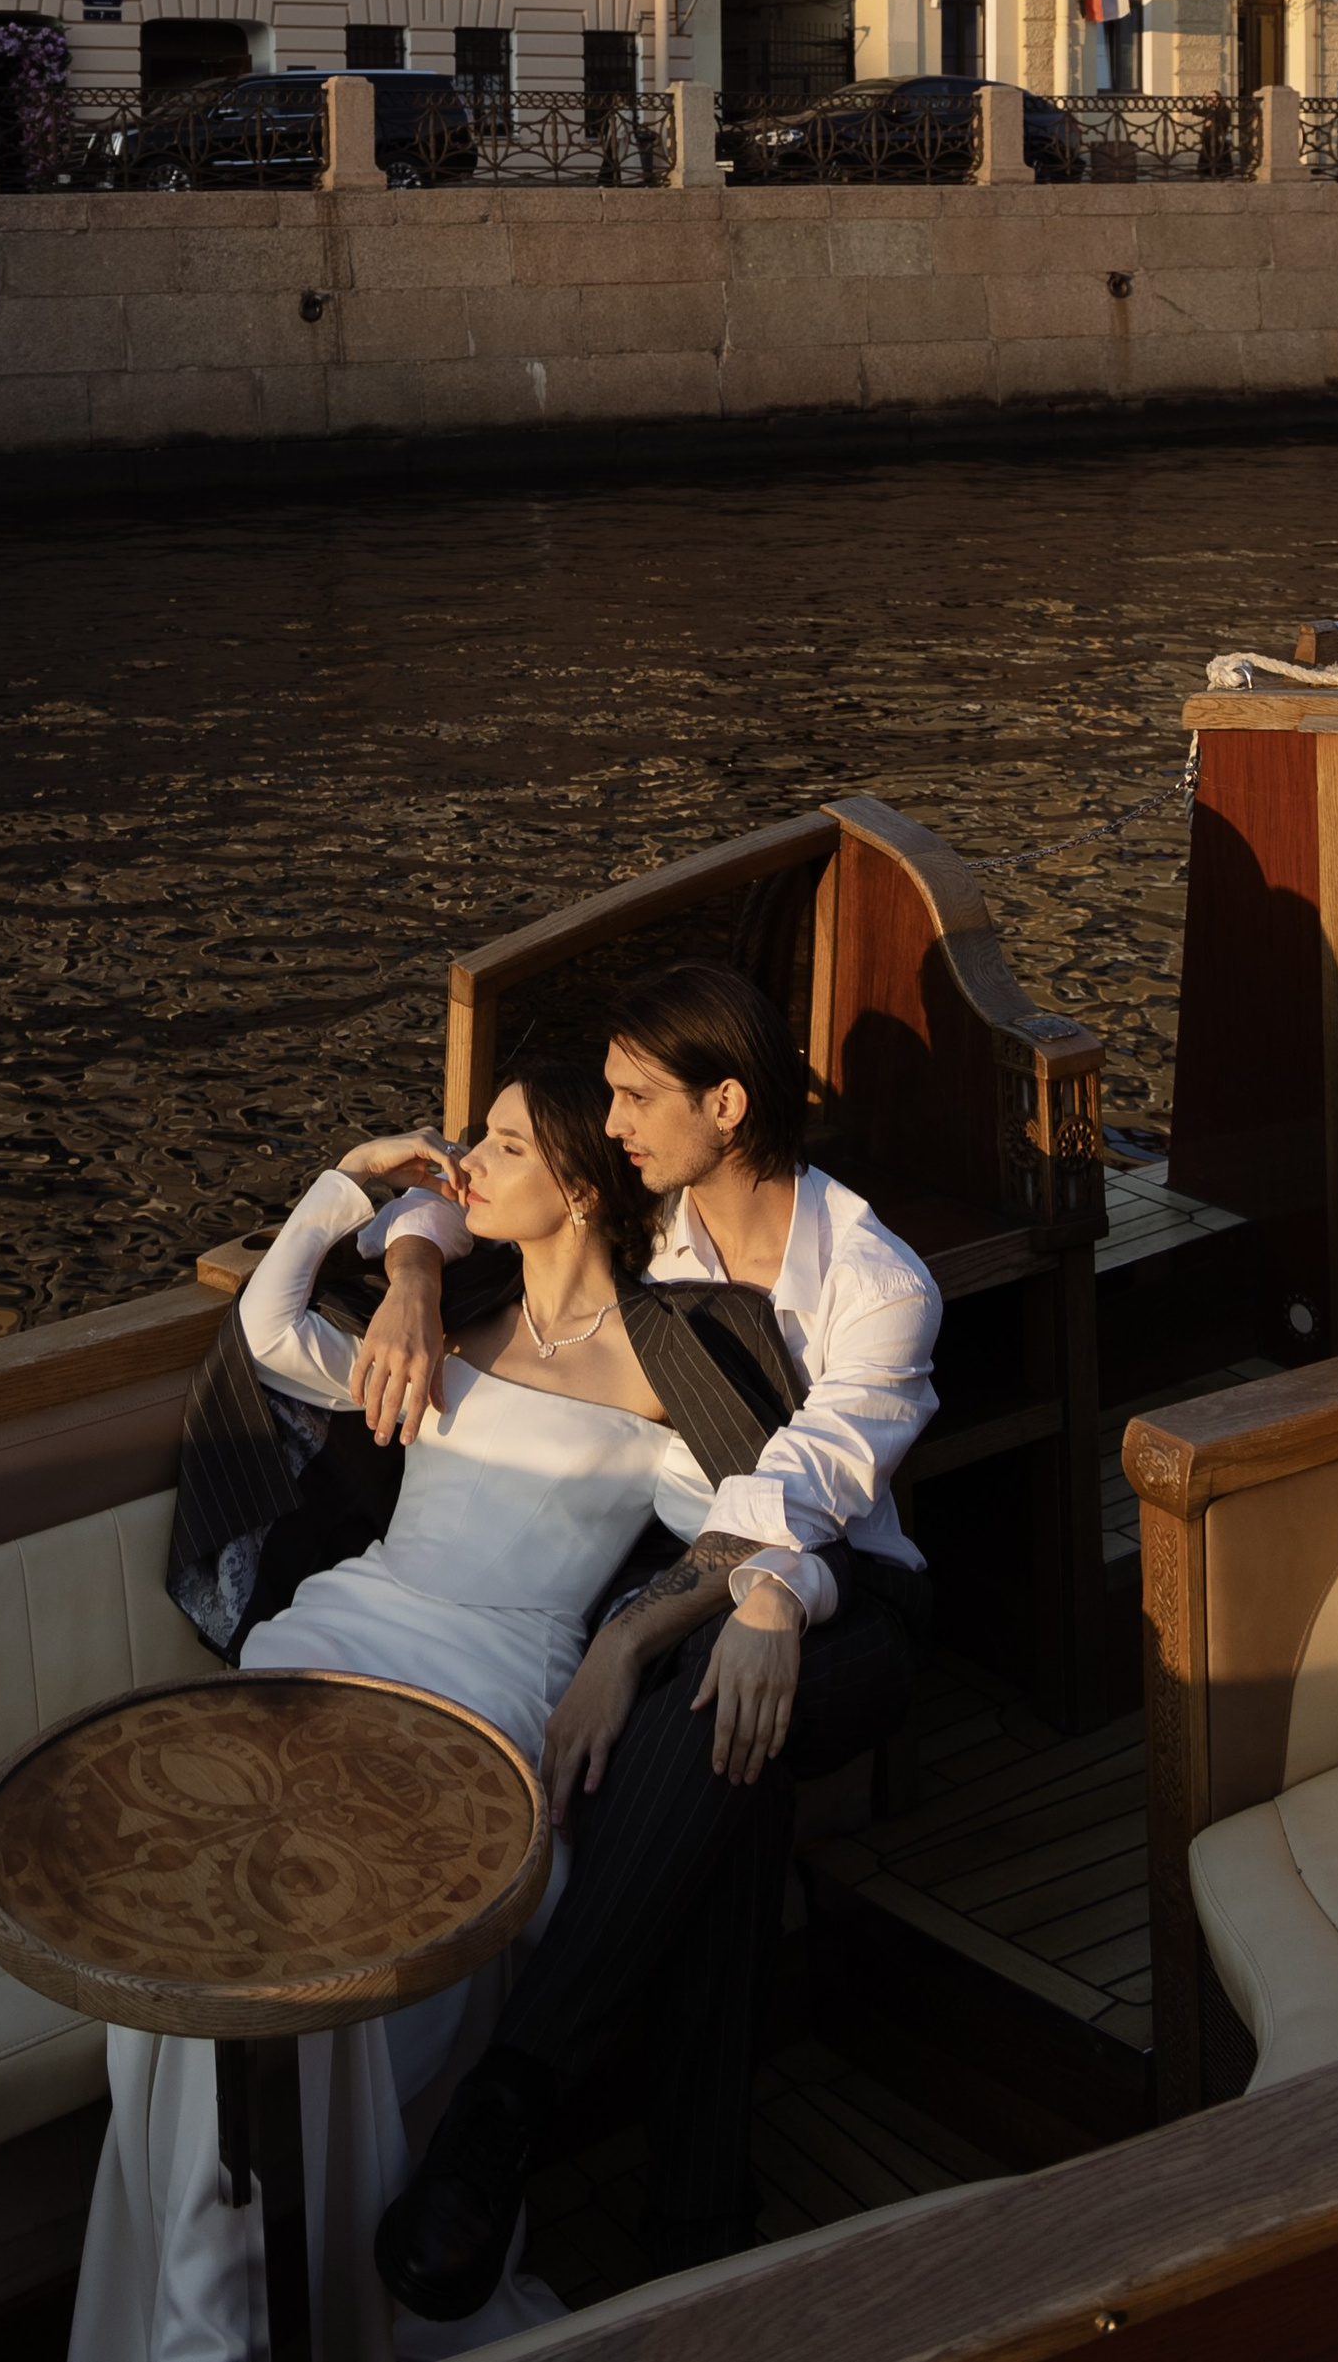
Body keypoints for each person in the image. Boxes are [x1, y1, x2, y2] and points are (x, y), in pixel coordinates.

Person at [71, 1059, 832, 2362]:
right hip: (330, 1644)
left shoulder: (658, 1373)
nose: (468, 1159)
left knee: (315, 1943)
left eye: (505, 1146)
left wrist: (632, 1641)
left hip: (486, 1695)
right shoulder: (442, 1330)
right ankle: (219, 2318)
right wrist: (357, 1188)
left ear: (585, 1190)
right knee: (202, 1920)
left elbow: (763, 1531)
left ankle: (218, 2326)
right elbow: (263, 1331)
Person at [366, 961, 942, 2313]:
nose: (614, 1120)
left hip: (856, 1590)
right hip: (698, 1582)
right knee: (726, 1763)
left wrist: (686, 1625)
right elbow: (469, 1186)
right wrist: (405, 1270)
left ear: (725, 1105)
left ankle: (503, 2112)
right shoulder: (660, 1225)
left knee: (707, 1714)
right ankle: (698, 2216)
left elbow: (818, 1481)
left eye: (637, 1096)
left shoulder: (876, 1282)